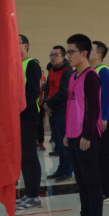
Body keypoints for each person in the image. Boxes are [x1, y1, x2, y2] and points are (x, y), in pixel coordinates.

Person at [63, 34, 104, 216]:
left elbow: (94, 109)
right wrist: (67, 133)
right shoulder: (73, 76)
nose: (68, 55)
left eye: (71, 52)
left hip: (87, 137)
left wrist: (87, 136)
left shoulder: (91, 77)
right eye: (67, 52)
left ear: (84, 53)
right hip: (73, 136)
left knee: (91, 181)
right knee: (80, 180)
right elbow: (73, 107)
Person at [17, 35, 44, 210]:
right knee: (23, 156)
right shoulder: (15, 65)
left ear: (26, 46)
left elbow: (33, 92)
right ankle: (28, 193)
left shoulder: (31, 64)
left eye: (17, 42)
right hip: (18, 116)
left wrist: (19, 108)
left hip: (28, 115)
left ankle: (34, 196)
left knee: (29, 154)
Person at [90, 40, 109, 202]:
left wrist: (104, 117)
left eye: (90, 50)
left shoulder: (104, 71)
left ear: (98, 55)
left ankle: (106, 192)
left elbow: (107, 96)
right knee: (96, 156)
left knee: (103, 156)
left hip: (105, 120)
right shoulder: (90, 71)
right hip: (94, 119)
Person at [44, 46, 73, 181]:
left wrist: (49, 103)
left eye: (56, 55)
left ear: (63, 56)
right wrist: (46, 102)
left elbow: (64, 92)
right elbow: (47, 89)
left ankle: (67, 171)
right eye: (51, 54)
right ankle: (61, 168)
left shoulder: (67, 71)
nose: (53, 57)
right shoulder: (51, 70)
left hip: (63, 111)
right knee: (58, 144)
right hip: (52, 111)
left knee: (64, 143)